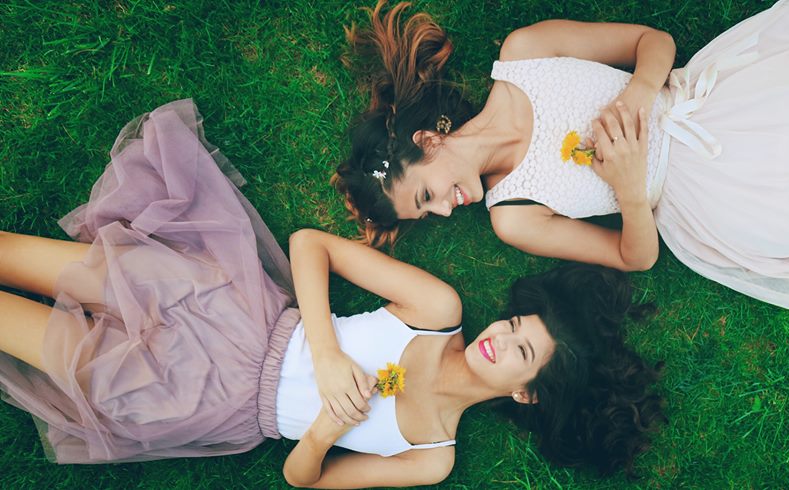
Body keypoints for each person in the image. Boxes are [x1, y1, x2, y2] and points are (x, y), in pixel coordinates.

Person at [0, 100, 664, 486]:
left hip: (205, 398)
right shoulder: (440, 314)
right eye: (517, 321)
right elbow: (309, 246)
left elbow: (305, 481)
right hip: (231, 310)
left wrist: (325, 429)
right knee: (22, 258)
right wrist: (324, 351)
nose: (500, 335)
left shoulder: (431, 455)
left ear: (527, 392)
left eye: (521, 350)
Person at [333, 0, 789, 320]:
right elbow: (636, 257)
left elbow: (651, 43)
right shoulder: (512, 216)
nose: (446, 211)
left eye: (427, 196)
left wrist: (638, 91)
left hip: (724, 109)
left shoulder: (525, 54)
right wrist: (631, 192)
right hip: (724, 203)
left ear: (429, 143)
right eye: (428, 215)